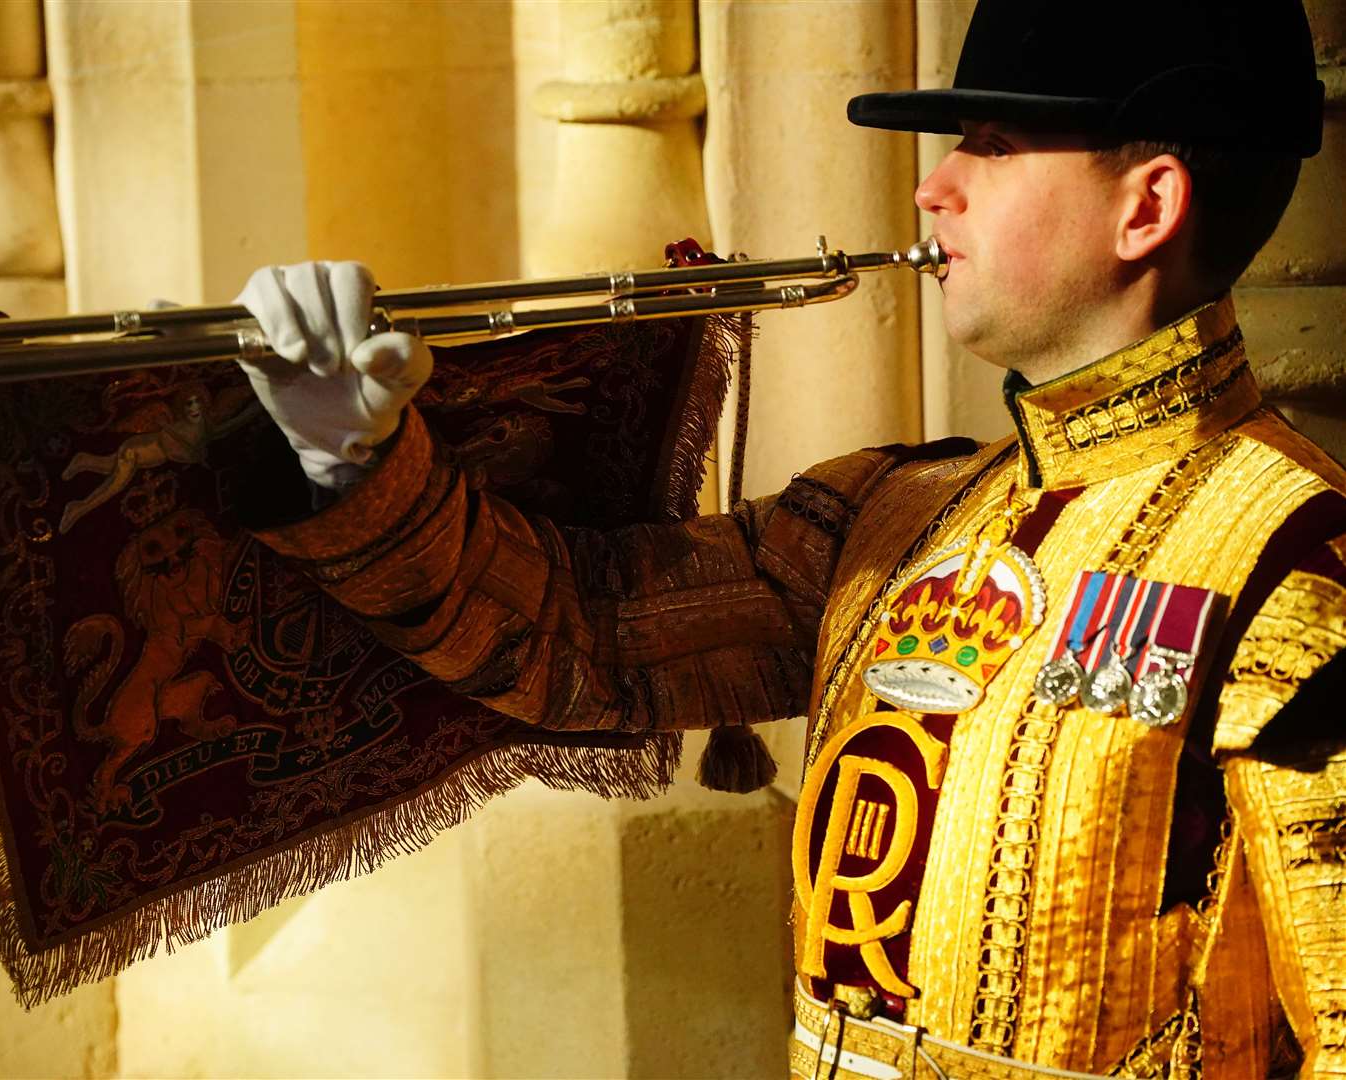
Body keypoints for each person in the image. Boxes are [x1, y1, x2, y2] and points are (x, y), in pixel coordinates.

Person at [233, 1, 1343, 1075]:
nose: (933, 186)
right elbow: (595, 638)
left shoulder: (1300, 568)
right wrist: (354, 459)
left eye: (991, 148)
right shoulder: (896, 513)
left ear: (1145, 209)